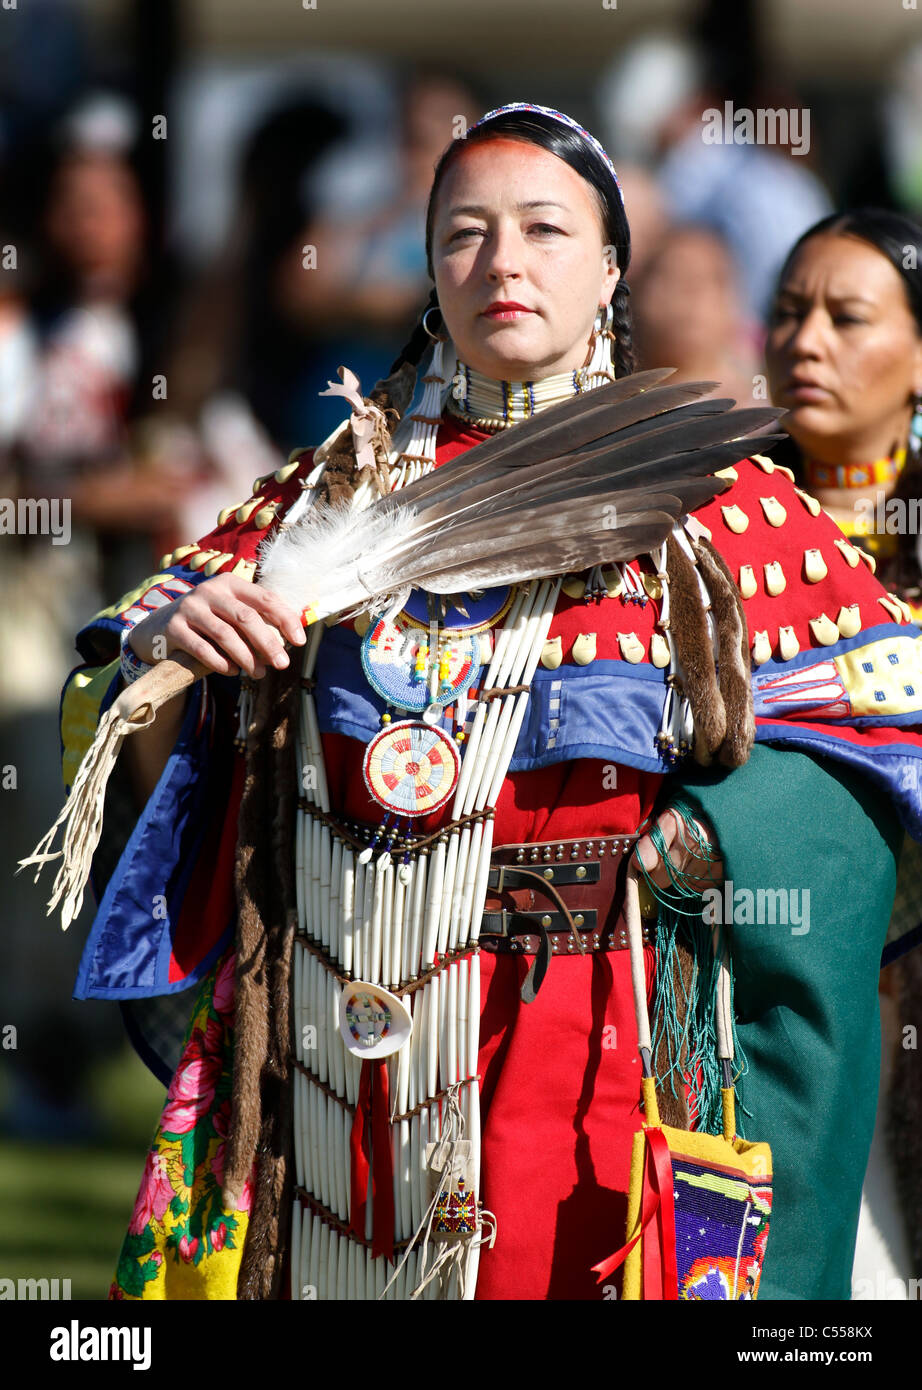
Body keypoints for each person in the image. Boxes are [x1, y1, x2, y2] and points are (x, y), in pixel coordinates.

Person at [49, 105, 922, 1302]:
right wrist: (176, 639)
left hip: (600, 1053)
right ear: (428, 266)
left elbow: (886, 718)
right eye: (463, 233)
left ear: (612, 265)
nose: (502, 262)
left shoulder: (717, 501)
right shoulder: (326, 497)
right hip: (346, 1052)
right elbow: (115, 662)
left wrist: (712, 843)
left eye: (544, 230)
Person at [764, 207, 922, 1288]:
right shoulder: (704, 519)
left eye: (845, 316)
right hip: (756, 974)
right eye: (786, 312)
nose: (804, 340)